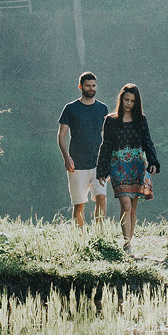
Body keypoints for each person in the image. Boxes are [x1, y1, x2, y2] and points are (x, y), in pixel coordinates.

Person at [95, 83, 159, 254]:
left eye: (132, 101)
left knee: (133, 207)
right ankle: (126, 244)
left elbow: (147, 141)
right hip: (118, 165)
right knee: (125, 204)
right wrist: (102, 169)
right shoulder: (111, 120)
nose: (129, 103)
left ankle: (129, 242)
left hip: (137, 164)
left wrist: (153, 161)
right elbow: (106, 145)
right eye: (126, 99)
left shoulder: (141, 120)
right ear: (121, 99)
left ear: (137, 102)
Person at [58, 72, 108, 226]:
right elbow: (61, 135)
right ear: (81, 86)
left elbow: (108, 136)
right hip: (76, 164)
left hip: (98, 163)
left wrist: (107, 162)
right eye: (87, 85)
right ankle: (80, 238)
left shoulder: (102, 108)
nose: (91, 89)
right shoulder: (71, 108)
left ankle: (99, 235)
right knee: (79, 204)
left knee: (101, 198)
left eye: (93, 86)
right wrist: (66, 157)